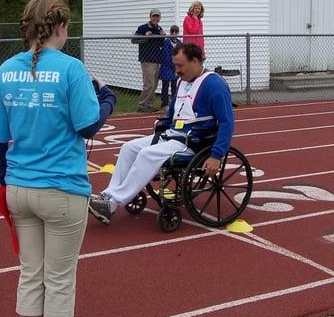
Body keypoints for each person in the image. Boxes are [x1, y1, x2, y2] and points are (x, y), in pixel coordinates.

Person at [0, 0, 116, 317]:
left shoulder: (5, 70)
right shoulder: (71, 69)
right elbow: (88, 125)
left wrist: (6, 182)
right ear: (61, 27)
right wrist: (106, 96)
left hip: (20, 187)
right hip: (62, 189)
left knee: (31, 275)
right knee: (59, 280)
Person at [89, 42, 234, 224]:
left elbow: (227, 122)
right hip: (173, 135)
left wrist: (216, 155)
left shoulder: (214, 85)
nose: (176, 70)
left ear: (195, 61)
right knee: (128, 147)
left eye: (180, 65)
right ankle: (107, 196)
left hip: (194, 142)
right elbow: (173, 114)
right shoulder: (182, 82)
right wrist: (162, 122)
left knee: (146, 154)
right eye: (175, 65)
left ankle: (113, 204)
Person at [131, 8, 166, 113]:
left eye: (157, 16)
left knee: (154, 84)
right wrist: (145, 37)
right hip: (147, 60)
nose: (155, 18)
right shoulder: (143, 28)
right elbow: (133, 40)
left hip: (156, 59)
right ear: (150, 17)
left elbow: (160, 44)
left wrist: (163, 37)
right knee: (149, 84)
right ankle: (142, 104)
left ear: (159, 18)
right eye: (154, 16)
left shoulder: (159, 29)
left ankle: (149, 104)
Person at [159, 24, 181, 110]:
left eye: (176, 32)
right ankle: (164, 103)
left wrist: (177, 65)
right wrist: (173, 65)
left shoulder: (179, 43)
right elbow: (166, 55)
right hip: (167, 67)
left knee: (174, 85)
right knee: (165, 84)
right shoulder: (167, 42)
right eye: (172, 31)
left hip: (176, 67)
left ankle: (174, 102)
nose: (174, 33)